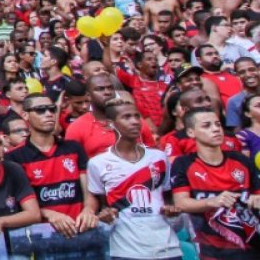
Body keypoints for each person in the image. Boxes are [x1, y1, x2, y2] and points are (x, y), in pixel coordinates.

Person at [85, 100, 181, 260]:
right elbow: (103, 205)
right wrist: (106, 215)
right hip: (126, 250)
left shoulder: (159, 158)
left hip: (167, 248)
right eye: (127, 117)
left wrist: (171, 210)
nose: (135, 121)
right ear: (111, 123)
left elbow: (167, 198)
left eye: (137, 116)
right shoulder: (97, 164)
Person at [169, 109, 260, 260]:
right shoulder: (183, 164)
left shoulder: (241, 160)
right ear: (191, 132)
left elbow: (257, 194)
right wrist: (212, 202)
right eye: (207, 125)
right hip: (211, 250)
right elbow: (181, 203)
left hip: (252, 247)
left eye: (218, 124)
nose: (216, 129)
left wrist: (256, 200)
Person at [5, 93, 98, 237]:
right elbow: (17, 203)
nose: (49, 114)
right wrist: (49, 214)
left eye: (52, 109)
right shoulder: (13, 157)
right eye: (40, 110)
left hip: (81, 231)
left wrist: (89, 210)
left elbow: (89, 190)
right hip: (41, 236)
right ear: (25, 115)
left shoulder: (74, 148)